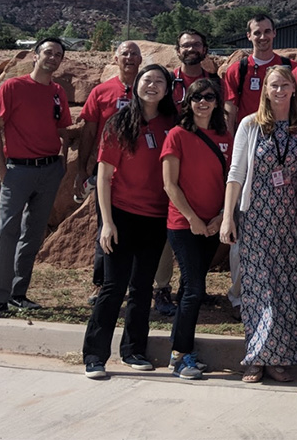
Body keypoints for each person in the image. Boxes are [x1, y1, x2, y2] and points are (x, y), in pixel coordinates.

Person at [221, 66, 297, 385]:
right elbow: (236, 173)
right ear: (265, 89)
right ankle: (256, 357)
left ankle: (278, 358)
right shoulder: (250, 125)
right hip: (255, 221)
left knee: (285, 290)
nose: (279, 90)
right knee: (257, 289)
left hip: (290, 222)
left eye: (285, 85)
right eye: (273, 85)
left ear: (293, 89)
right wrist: (228, 217)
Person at [83, 64, 178, 379]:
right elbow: (105, 177)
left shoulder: (172, 125)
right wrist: (106, 223)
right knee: (114, 285)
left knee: (141, 287)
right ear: (136, 85)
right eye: (147, 80)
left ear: (167, 89)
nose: (152, 85)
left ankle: (133, 350)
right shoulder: (119, 123)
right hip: (121, 215)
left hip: (155, 218)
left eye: (159, 81)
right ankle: (95, 355)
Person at [0, 38, 72, 320]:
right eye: (48, 52)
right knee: (6, 233)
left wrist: (62, 160)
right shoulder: (13, 87)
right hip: (18, 170)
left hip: (49, 170)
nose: (53, 58)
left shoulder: (57, 92)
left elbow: (63, 128)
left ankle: (18, 294)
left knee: (32, 234)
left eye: (58, 55)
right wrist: (2, 169)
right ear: (35, 55)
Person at [161, 78, 232, 380]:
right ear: (187, 102)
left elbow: (231, 179)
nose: (202, 102)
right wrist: (192, 218)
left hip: (212, 224)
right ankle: (179, 356)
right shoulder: (177, 135)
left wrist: (219, 217)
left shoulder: (223, 135)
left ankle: (180, 350)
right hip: (184, 223)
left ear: (217, 102)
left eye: (209, 97)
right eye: (196, 97)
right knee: (194, 290)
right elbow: (170, 184)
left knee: (190, 287)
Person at [153, 29, 221, 319]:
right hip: (170, 152)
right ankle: (161, 288)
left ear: (205, 48)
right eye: (185, 44)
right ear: (177, 49)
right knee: (168, 231)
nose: (191, 48)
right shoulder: (167, 80)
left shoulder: (215, 82)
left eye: (197, 44)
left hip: (200, 152)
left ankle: (191, 287)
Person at [75, 40, 143, 306]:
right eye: (124, 53)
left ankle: (137, 285)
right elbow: (89, 132)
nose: (129, 57)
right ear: (116, 59)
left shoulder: (149, 89)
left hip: (143, 172)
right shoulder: (102, 91)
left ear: (141, 60)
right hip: (108, 171)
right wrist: (81, 167)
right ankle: (101, 283)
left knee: (141, 231)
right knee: (106, 227)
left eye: (134, 54)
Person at [224, 13, 294, 133]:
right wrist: (230, 141)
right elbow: (230, 109)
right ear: (249, 36)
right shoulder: (237, 70)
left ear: (274, 33)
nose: (262, 37)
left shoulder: (290, 67)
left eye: (267, 31)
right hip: (249, 133)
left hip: (283, 134)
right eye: (257, 33)